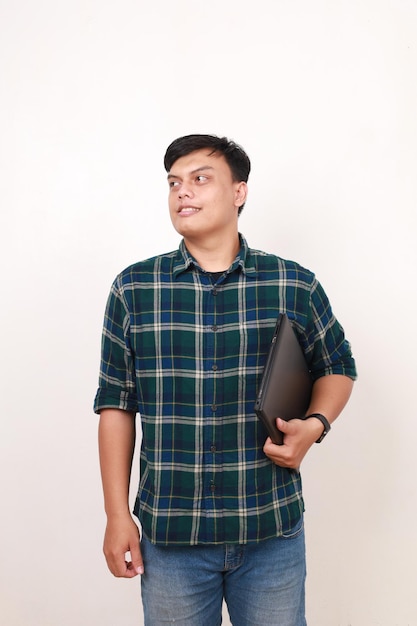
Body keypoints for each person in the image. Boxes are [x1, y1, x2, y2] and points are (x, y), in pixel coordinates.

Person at [94, 134, 357, 626]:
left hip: (270, 530)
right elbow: (115, 404)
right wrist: (116, 515)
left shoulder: (292, 283)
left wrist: (315, 425)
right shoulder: (134, 288)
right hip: (171, 538)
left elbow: (338, 366)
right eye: (173, 182)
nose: (182, 192)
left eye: (199, 179)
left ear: (239, 192)